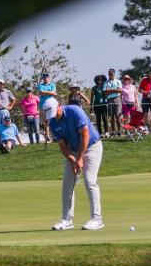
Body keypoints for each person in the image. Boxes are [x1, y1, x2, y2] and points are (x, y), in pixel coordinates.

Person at [43, 98, 104, 231]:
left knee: (90, 181)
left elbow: (85, 135)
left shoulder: (75, 111)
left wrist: (80, 158)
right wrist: (73, 161)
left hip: (92, 147)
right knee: (67, 184)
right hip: (74, 150)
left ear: (59, 105)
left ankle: (97, 219)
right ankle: (67, 220)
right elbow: (63, 147)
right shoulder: (53, 122)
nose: (55, 116)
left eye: (55, 112)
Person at [0, 79, 16, 145]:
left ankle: (6, 141)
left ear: (4, 85)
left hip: (5, 110)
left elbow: (13, 99)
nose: (0, 85)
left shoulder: (7, 91)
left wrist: (11, 106)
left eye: (1, 84)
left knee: (6, 125)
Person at [38, 73, 58, 142]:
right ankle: (47, 137)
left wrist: (45, 92)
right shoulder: (40, 85)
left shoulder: (53, 85)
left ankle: (55, 136)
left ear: (49, 78)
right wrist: (50, 92)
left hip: (51, 104)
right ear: (43, 78)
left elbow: (54, 93)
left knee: (53, 120)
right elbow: (41, 93)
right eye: (44, 77)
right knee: (46, 122)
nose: (46, 78)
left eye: (47, 77)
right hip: (43, 105)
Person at [103, 68, 123, 136]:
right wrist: (115, 90)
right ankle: (113, 131)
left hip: (117, 98)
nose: (110, 75)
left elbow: (120, 90)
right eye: (109, 74)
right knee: (111, 116)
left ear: (114, 74)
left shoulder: (118, 81)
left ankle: (119, 130)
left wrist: (110, 90)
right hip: (109, 99)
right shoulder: (106, 82)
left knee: (118, 115)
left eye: (111, 73)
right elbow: (105, 92)